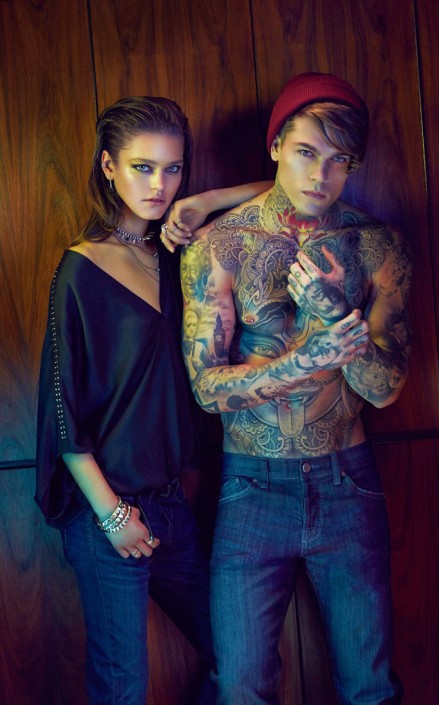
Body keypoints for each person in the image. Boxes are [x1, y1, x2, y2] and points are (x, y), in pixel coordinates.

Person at [180, 73, 412, 704]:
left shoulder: (377, 246)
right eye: (307, 151)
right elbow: (207, 389)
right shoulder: (218, 247)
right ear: (277, 145)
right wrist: (306, 360)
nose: (321, 174)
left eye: (340, 160)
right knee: (243, 689)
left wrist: (337, 316)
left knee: (370, 688)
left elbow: (387, 390)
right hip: (251, 487)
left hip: (348, 482)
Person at [34, 95, 270, 705]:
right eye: (142, 167)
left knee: (236, 658)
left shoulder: (176, 252)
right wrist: (114, 517)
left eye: (172, 168)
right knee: (123, 690)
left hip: (171, 507)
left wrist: (203, 202)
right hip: (106, 512)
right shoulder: (82, 269)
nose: (159, 185)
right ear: (108, 166)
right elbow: (62, 412)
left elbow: (285, 194)